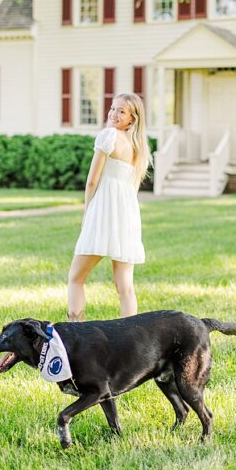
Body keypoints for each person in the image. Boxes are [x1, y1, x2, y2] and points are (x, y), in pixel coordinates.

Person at [67, 93, 149, 322]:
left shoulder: (108, 136)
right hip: (126, 215)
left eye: (121, 111)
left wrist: (87, 213)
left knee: (76, 278)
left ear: (132, 119)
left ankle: (76, 330)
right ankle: (132, 337)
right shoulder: (136, 146)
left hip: (104, 211)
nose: (113, 114)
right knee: (125, 287)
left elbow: (92, 180)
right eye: (113, 108)